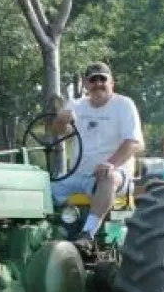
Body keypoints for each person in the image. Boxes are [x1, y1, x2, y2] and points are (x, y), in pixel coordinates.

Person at [51, 62, 144, 247]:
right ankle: (52, 232)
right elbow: (59, 130)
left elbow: (135, 143)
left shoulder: (124, 104)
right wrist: (60, 120)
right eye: (93, 80)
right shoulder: (77, 105)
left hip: (114, 176)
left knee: (108, 178)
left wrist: (110, 163)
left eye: (103, 79)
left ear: (112, 82)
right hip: (78, 176)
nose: (98, 83)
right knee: (44, 187)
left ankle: (88, 233)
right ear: (86, 84)